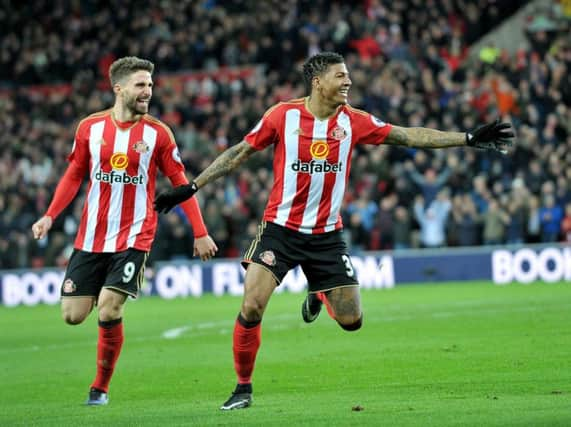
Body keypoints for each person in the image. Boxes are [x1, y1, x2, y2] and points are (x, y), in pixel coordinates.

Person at [153, 52, 514, 410]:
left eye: (348, 76)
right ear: (318, 81)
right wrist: (194, 186)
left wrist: (466, 138)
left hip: (327, 235)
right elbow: (239, 152)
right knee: (251, 305)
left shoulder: (353, 121)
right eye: (341, 76)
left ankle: (319, 293)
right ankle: (243, 388)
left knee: (352, 321)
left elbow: (408, 136)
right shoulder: (283, 115)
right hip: (280, 229)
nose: (348, 82)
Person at [31, 56, 218, 406]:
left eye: (150, 84)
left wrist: (200, 231)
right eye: (140, 85)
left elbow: (180, 183)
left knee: (109, 307)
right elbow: (74, 174)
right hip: (92, 236)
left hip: (135, 234)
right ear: (118, 88)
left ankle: (99, 388)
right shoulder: (90, 128)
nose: (148, 90)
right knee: (72, 316)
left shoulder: (158, 133)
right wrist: (50, 216)